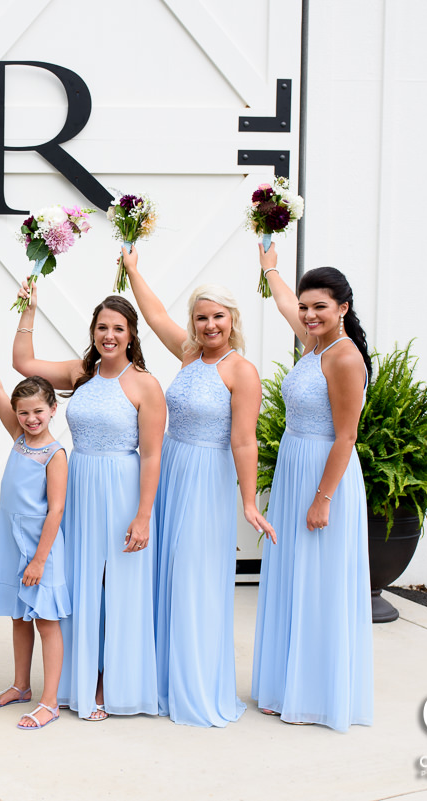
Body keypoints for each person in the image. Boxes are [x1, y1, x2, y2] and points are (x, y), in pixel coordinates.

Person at [121, 245, 274, 727]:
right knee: (167, 573)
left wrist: (248, 500)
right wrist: (131, 269)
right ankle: (164, 680)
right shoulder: (188, 353)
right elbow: (155, 312)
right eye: (202, 318)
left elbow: (244, 442)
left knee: (195, 579)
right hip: (171, 470)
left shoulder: (242, 372)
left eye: (218, 317)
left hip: (207, 480)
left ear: (233, 320)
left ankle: (197, 687)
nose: (210, 326)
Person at [12, 280, 165, 721]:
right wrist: (30, 308)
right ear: (94, 331)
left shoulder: (145, 385)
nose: (109, 336)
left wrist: (143, 516)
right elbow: (23, 362)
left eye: (118, 328)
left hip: (121, 485)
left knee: (114, 585)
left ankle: (109, 682)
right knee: (80, 581)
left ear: (132, 335)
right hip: (77, 483)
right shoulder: (81, 373)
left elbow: (152, 454)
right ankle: (75, 680)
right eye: (102, 327)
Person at [251, 243, 373, 731]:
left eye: (320, 306)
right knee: (292, 575)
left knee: (318, 581)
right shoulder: (312, 342)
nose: (308, 314)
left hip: (326, 475)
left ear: (343, 307)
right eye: (306, 307)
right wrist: (269, 262)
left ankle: (318, 694)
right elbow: (282, 301)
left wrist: (322, 499)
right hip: (293, 468)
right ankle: (288, 684)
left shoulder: (345, 358)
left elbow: (347, 435)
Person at [0, 370, 69, 731]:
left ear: (52, 410)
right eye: (23, 413)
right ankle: (21, 685)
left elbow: (56, 509)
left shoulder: (53, 454)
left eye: (38, 412)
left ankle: (50, 702)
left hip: (39, 545)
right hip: (12, 542)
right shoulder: (18, 439)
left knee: (45, 619)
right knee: (19, 615)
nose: (30, 420)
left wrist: (40, 560)